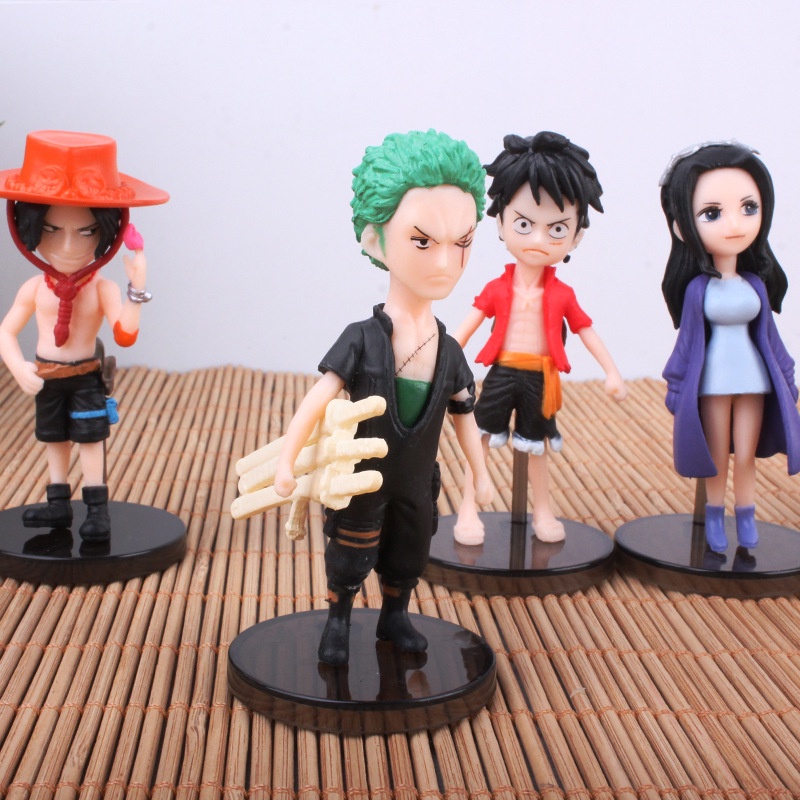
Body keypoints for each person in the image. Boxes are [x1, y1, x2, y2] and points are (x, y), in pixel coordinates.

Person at [272, 130, 493, 666]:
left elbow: (464, 414)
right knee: (350, 551)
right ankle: (339, 619)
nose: (445, 261)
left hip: (416, 481)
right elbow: (318, 399)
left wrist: (480, 472)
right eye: (423, 242)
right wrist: (286, 459)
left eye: (462, 243)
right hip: (360, 479)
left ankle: (395, 615)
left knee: (409, 553)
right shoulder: (362, 339)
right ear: (376, 242)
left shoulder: (449, 350)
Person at [453, 132, 626, 546]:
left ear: (576, 236)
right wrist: (442, 359)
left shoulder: (563, 294)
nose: (536, 240)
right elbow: (466, 328)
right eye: (524, 224)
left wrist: (612, 371)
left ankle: (543, 510)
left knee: (537, 448)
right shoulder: (497, 288)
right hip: (501, 373)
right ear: (500, 222)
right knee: (479, 441)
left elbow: (585, 330)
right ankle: (467, 508)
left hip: (540, 379)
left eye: (557, 228)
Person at [0, 130, 168, 541]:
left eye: (87, 232)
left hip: (86, 377)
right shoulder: (35, 288)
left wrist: (137, 288)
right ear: (28, 228)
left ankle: (96, 508)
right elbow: (5, 331)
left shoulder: (101, 288)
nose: (68, 245)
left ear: (107, 232)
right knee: (53, 438)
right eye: (51, 230)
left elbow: (125, 335)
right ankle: (58, 503)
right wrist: (17, 366)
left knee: (91, 440)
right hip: (47, 375)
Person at [660, 141, 800, 553]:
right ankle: (715, 515)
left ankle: (747, 513)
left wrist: (787, 377)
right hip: (713, 384)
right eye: (712, 213)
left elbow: (770, 338)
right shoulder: (697, 290)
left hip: (754, 381)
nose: (734, 224)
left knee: (747, 454)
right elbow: (687, 343)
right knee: (717, 453)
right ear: (683, 226)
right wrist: (675, 385)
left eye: (748, 207)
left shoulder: (755, 284)